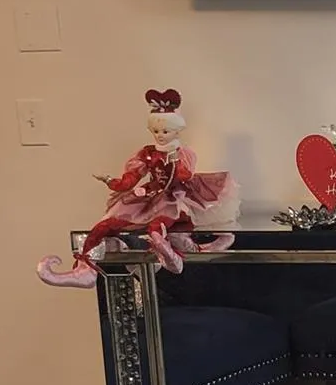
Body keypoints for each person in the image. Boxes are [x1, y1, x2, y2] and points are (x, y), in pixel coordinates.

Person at [38, 89, 236, 288]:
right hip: (148, 197)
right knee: (105, 225)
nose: (160, 136)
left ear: (176, 131)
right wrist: (109, 180)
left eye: (165, 132)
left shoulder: (183, 154)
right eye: (156, 131)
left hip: (173, 200)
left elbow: (184, 176)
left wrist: (174, 161)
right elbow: (129, 180)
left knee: (157, 229)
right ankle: (85, 269)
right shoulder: (147, 154)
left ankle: (172, 257)